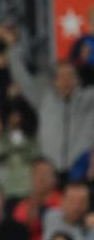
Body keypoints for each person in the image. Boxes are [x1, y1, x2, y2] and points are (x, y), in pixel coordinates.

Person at [9, 51, 94, 180]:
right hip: (51, 173)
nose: (66, 80)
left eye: (70, 75)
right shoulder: (44, 99)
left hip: (82, 171)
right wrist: (13, 50)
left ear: (78, 79)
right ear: (54, 81)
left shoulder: (89, 99)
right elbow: (22, 78)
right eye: (61, 76)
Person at [12, 157, 62, 240]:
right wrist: (34, 204)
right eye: (37, 173)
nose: (41, 177)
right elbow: (21, 233)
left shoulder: (64, 200)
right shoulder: (23, 206)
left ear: (55, 177)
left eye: (45, 173)